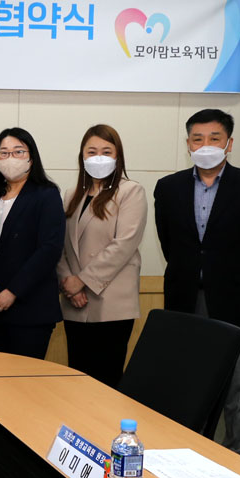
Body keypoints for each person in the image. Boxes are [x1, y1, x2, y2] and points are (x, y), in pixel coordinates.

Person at [154, 109, 240, 458]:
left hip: (234, 299)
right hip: (184, 299)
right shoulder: (169, 188)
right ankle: (186, 453)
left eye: (214, 138)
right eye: (198, 139)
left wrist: (231, 275)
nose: (205, 145)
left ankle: (238, 457)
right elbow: (169, 243)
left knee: (238, 387)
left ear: (229, 143)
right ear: (188, 144)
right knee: (186, 382)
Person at [57, 124, 147, 387]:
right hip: (75, 302)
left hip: (111, 303)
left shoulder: (130, 191)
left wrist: (82, 281)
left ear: (118, 156)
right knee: (78, 378)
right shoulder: (71, 195)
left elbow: (124, 245)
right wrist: (68, 283)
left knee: (106, 380)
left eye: (106, 152)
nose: (98, 158)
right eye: (92, 151)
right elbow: (59, 245)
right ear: (82, 156)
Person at [0, 127, 65, 359]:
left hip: (31, 307)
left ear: (31, 157)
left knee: (25, 377)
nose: (11, 158)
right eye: (4, 153)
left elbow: (49, 249)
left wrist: (13, 291)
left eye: (18, 152)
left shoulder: (46, 194)